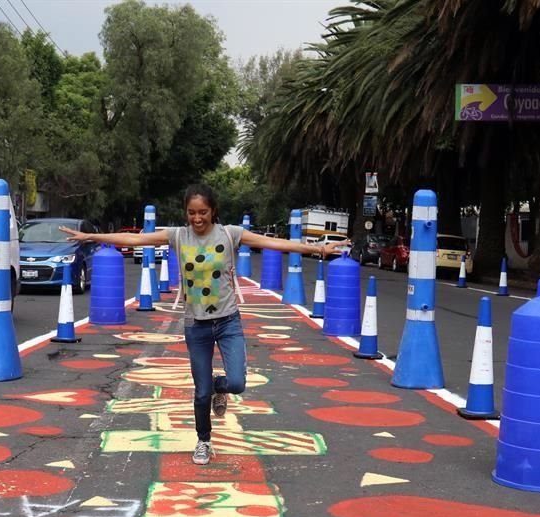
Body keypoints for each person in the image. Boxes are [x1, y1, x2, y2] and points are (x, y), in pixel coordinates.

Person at [60, 184, 350, 465]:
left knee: (237, 382)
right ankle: (204, 440)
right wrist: (90, 236)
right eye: (191, 212)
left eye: (203, 212)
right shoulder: (178, 236)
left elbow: (274, 243)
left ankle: (219, 388)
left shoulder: (230, 234)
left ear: (213, 211)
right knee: (200, 392)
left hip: (228, 322)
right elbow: (136, 240)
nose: (197, 218)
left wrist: (320, 250)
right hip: (195, 325)